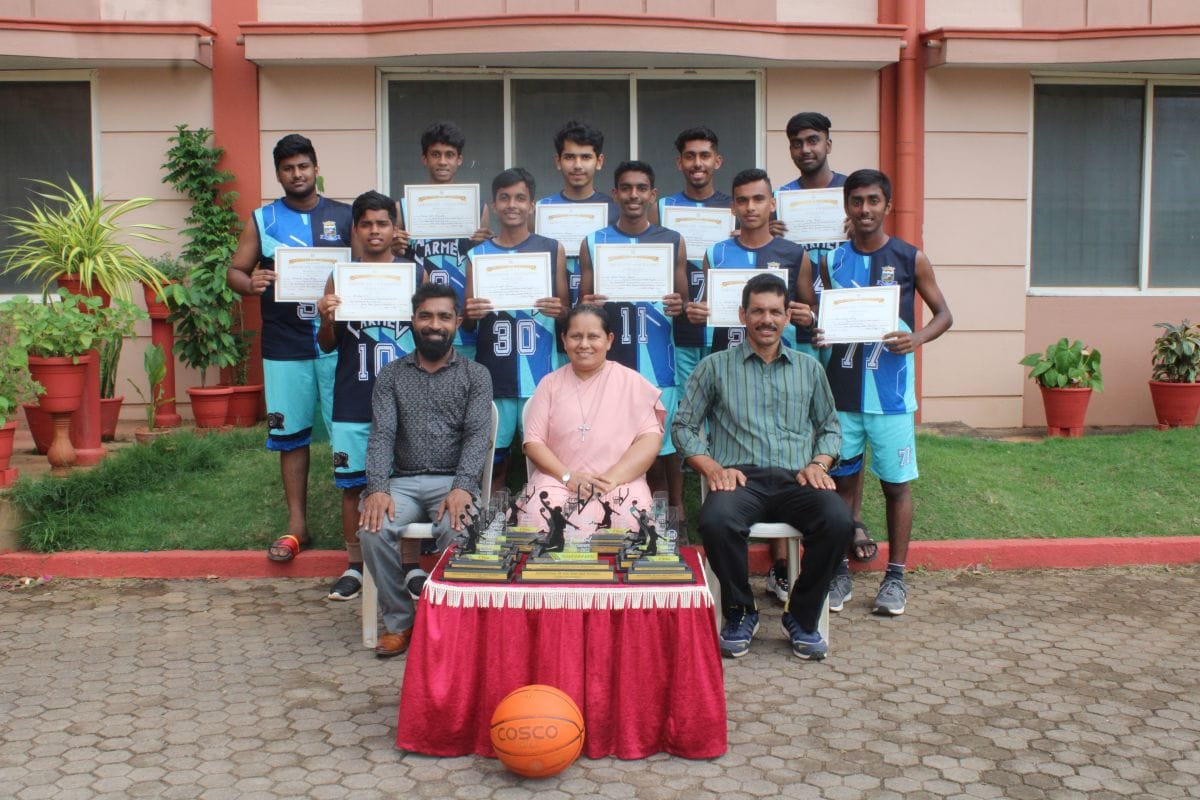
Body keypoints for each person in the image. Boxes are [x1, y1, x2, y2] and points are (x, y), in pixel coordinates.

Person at [673, 272, 853, 661]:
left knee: (839, 521)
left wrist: (819, 463)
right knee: (716, 522)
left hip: (797, 479)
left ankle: (802, 616)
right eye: (757, 311)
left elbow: (831, 429)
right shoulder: (714, 367)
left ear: (787, 316)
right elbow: (683, 426)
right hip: (740, 480)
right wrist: (711, 468)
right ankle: (740, 611)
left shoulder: (809, 369)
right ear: (742, 314)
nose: (766, 320)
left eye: (774, 311)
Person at [804, 169, 953, 617]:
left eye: (873, 201)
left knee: (896, 486)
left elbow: (944, 314)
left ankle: (896, 577)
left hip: (890, 400)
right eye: (857, 201)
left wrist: (918, 337)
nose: (865, 209)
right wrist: (815, 332)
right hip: (842, 397)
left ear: (887, 205)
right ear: (845, 206)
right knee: (841, 485)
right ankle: (839, 571)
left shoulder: (911, 258)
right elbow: (812, 318)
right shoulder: (829, 261)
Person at [684, 168, 815, 604]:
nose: (751, 208)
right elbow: (702, 307)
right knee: (743, 453)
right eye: (742, 201)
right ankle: (740, 594)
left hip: (783, 363)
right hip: (732, 362)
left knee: (780, 453)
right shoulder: (716, 252)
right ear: (733, 206)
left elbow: (812, 312)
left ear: (771, 203)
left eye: (759, 199)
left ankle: (781, 568)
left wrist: (805, 317)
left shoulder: (794, 252)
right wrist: (698, 314)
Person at [227, 134, 352, 564]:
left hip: (340, 343)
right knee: (290, 433)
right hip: (286, 343)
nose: (297, 174)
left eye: (303, 166)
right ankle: (297, 524)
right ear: (278, 174)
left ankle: (355, 526)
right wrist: (251, 283)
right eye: (287, 168)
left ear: (316, 168)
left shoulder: (347, 216)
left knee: (351, 430)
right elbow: (236, 272)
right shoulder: (263, 220)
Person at [357, 282, 493, 657]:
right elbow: (381, 435)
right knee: (373, 528)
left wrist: (464, 486)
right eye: (426, 316)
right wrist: (378, 488)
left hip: (453, 481)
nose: (435, 324)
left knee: (460, 527)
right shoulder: (392, 375)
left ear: (458, 322)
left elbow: (477, 436)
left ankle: (448, 624)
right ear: (413, 321)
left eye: (444, 317)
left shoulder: (475, 376)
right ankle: (401, 622)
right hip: (401, 482)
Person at [315, 191, 414, 601]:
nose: (375, 231)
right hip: (354, 393)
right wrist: (326, 317)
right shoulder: (341, 276)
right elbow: (326, 344)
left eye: (383, 223)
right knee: (353, 487)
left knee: (407, 482)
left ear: (395, 228)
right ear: (355, 229)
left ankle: (409, 566)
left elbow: (430, 335)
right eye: (367, 224)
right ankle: (354, 565)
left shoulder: (414, 274)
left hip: (405, 399)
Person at [578, 160, 687, 513]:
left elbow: (683, 305)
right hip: (613, 360)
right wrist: (589, 302)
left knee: (665, 447)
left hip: (658, 359)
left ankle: (676, 516)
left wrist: (677, 304)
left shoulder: (671, 240)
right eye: (626, 188)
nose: (634, 195)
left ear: (653, 195)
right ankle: (623, 516)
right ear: (615, 194)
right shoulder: (594, 242)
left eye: (642, 188)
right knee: (618, 444)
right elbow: (583, 307)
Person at [464, 168, 569, 492]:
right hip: (495, 373)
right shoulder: (477, 255)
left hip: (541, 372)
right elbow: (467, 322)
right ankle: (491, 530)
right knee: (494, 464)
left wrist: (559, 310)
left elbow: (566, 312)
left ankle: (550, 527)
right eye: (505, 198)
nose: (512, 205)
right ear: (494, 206)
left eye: (520, 198)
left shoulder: (552, 249)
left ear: (532, 205)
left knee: (549, 465)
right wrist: (471, 313)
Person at [522, 304, 664, 530]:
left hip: (619, 480)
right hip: (558, 479)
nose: (584, 344)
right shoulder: (549, 384)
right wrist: (568, 477)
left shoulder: (631, 382)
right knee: (541, 515)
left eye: (593, 336)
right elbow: (533, 442)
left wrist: (612, 479)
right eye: (576, 336)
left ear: (609, 340)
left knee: (632, 518)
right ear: (564, 339)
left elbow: (650, 440)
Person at [397, 121, 492, 360]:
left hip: (463, 322)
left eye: (449, 155)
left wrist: (486, 244)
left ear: (459, 159)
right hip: (422, 323)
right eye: (435, 154)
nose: (442, 161)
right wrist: (394, 247)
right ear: (424, 158)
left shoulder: (477, 208)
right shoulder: (404, 207)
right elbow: (394, 262)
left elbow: (483, 267)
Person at [536, 120, 621, 360]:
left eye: (585, 157)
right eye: (570, 157)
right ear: (558, 161)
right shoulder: (540, 210)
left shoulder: (616, 211)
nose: (577, 165)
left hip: (599, 327)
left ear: (599, 161)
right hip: (550, 325)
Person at [770, 111, 850, 359]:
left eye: (812, 140)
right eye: (797, 144)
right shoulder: (779, 198)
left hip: (844, 315)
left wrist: (861, 229)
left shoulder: (854, 192)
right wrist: (767, 232)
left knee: (840, 393)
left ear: (828, 144)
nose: (805, 149)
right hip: (796, 317)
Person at [658, 126, 731, 393]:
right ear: (680, 163)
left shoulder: (736, 208)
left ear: (717, 161)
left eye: (705, 155)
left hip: (724, 329)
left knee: (726, 406)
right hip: (679, 331)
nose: (697, 163)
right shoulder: (663, 208)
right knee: (687, 408)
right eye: (690, 156)